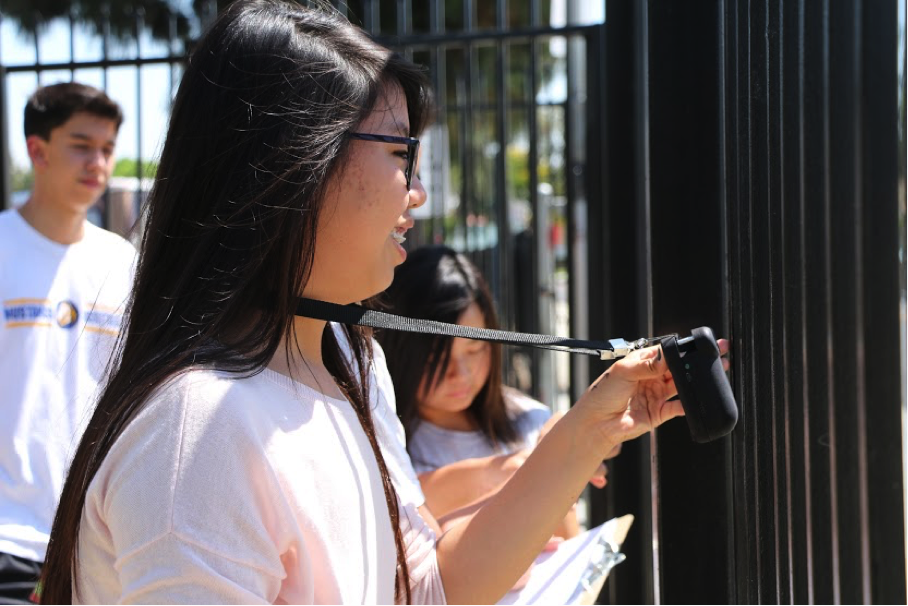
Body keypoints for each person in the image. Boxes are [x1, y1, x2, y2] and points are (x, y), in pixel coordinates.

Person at [39, 2, 728, 605]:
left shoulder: (349, 358)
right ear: (293, 164)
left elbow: (424, 590)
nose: (417, 195)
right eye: (403, 155)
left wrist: (588, 431)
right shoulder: (199, 430)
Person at [0, 82, 134, 605]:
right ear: (38, 150)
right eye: (81, 145)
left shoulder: (122, 263)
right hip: (8, 538)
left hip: (95, 542)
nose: (97, 162)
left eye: (106, 148)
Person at [378, 245, 612, 535]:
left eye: (475, 350)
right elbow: (400, 507)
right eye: (436, 358)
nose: (460, 374)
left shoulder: (528, 420)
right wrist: (524, 468)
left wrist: (558, 464)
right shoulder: (380, 439)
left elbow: (566, 544)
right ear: (398, 350)